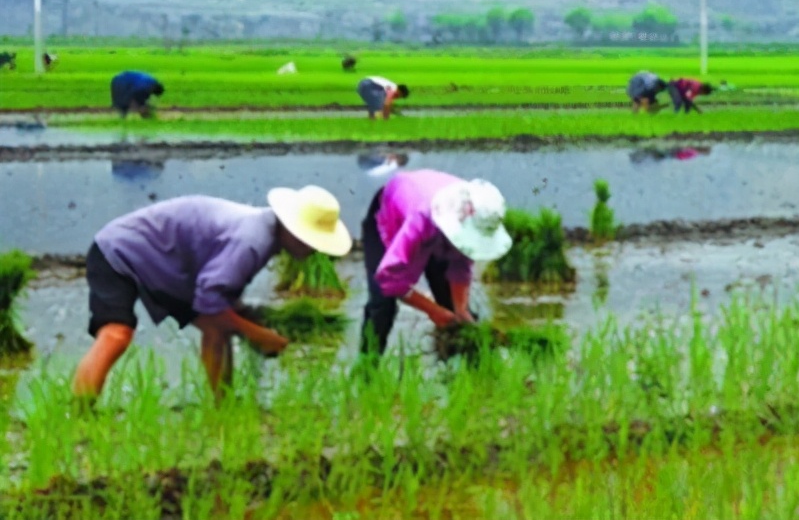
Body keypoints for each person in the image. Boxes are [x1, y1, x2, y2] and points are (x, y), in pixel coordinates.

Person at [71, 187, 353, 404]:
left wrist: (245, 321)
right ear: (292, 230)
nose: (315, 250)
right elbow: (209, 305)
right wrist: (257, 334)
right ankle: (80, 415)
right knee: (116, 333)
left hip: (168, 263)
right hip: (121, 251)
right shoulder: (252, 242)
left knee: (217, 329)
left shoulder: (264, 234)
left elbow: (217, 306)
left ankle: (223, 404)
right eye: (312, 241)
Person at [360, 169, 513, 359]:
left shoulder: (473, 215)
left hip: (433, 226)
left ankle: (465, 373)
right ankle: (366, 371)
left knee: (455, 313)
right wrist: (432, 310)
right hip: (391, 216)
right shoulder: (420, 219)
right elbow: (390, 280)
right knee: (382, 306)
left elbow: (461, 266)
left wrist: (461, 309)